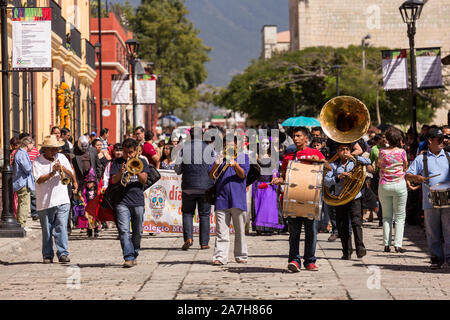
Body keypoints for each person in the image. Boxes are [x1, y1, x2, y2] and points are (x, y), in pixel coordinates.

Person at [273, 127, 324, 272]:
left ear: (306, 138)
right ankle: (294, 260)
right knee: (294, 233)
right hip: (293, 199)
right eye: (294, 136)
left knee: (311, 232)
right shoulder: (289, 157)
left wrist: (319, 161)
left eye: (299, 136)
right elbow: (284, 177)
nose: (296, 139)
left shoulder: (315, 153)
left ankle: (310, 261)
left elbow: (327, 168)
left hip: (310, 198)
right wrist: (279, 180)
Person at [406, 128, 450, 270]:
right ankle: (436, 258)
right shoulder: (421, 158)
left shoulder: (449, 156)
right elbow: (408, 175)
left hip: (448, 199)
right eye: (439, 140)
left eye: (444, 139)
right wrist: (416, 177)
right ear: (430, 141)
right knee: (432, 231)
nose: (443, 142)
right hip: (430, 200)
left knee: (449, 230)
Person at [324, 143, 371, 260]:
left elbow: (368, 162)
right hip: (341, 198)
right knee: (342, 225)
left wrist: (355, 157)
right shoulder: (333, 165)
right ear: (337, 152)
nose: (345, 152)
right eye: (341, 150)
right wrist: (338, 177)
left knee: (357, 223)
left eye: (347, 149)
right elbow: (326, 181)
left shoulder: (354, 161)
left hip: (355, 197)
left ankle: (360, 247)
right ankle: (347, 251)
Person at [32, 135, 75, 264]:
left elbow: (71, 174)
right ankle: (47, 254)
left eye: (56, 148)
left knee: (61, 226)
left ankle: (63, 253)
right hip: (45, 201)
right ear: (45, 149)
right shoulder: (37, 162)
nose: (54, 151)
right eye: (51, 149)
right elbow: (39, 180)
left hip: (62, 199)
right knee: (47, 229)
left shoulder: (61, 158)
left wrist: (63, 168)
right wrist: (52, 173)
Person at [209, 133, 250, 265]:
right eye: (227, 143)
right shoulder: (219, 157)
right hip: (222, 198)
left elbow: (243, 175)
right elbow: (211, 175)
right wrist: (217, 163)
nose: (229, 146)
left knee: (240, 230)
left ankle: (241, 255)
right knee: (221, 231)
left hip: (238, 199)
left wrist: (236, 165)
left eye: (232, 143)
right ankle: (220, 257)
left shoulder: (243, 157)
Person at [110, 138, 151, 268]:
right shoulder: (117, 162)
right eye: (126, 152)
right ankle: (128, 257)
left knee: (138, 231)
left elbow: (144, 180)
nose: (128, 155)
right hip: (121, 201)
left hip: (137, 201)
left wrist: (137, 169)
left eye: (131, 152)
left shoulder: (142, 161)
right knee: (124, 231)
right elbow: (113, 180)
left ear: (135, 152)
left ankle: (135, 253)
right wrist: (121, 172)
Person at [174, 127, 215, 250]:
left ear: (190, 136)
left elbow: (177, 169)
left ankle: (188, 238)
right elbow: (214, 167)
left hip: (188, 186)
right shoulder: (209, 149)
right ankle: (204, 243)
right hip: (206, 187)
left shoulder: (183, 149)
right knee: (204, 215)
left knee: (187, 213)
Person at [377, 128, 409, 253]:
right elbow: (405, 165)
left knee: (386, 217)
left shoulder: (382, 151)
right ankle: (398, 244)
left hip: (384, 185)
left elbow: (378, 165)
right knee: (400, 216)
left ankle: (386, 244)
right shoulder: (402, 152)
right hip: (399, 184)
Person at [252, 137, 284, 235]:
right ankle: (259, 227)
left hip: (269, 184)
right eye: (262, 143)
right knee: (259, 205)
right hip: (258, 183)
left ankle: (271, 226)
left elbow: (274, 169)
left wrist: (275, 177)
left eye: (267, 143)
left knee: (269, 205)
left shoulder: (273, 156)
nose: (265, 145)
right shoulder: (255, 156)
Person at [12, 137, 35, 230]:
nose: (33, 147)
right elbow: (27, 168)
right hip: (22, 182)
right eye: (32, 144)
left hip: (22, 182)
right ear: (28, 144)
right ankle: (22, 224)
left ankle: (21, 223)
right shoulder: (22, 153)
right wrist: (32, 165)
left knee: (23, 203)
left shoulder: (22, 153)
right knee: (24, 204)